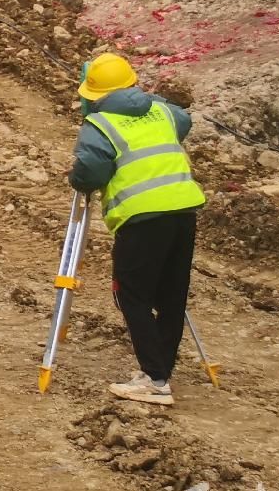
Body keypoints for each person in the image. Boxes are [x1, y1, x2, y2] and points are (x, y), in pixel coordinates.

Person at [68, 52, 207, 406]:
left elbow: (90, 173)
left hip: (142, 219)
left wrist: (75, 178)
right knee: (172, 296)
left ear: (94, 94)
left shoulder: (99, 126)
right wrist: (145, 98)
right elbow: (184, 121)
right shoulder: (162, 112)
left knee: (133, 296)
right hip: (183, 210)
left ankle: (156, 381)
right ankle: (159, 371)